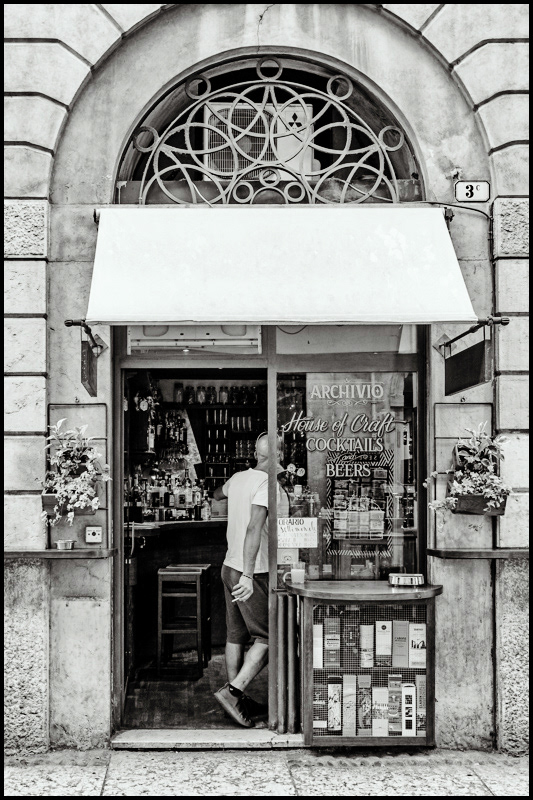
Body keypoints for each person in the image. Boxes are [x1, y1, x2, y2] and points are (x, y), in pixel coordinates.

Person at [212, 433, 284, 728]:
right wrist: (250, 575)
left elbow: (218, 493)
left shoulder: (239, 478)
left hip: (229, 566)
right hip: (253, 571)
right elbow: (255, 528)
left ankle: (235, 698)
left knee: (236, 635)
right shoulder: (268, 484)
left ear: (256, 452)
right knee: (270, 636)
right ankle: (234, 692)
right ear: (279, 453)